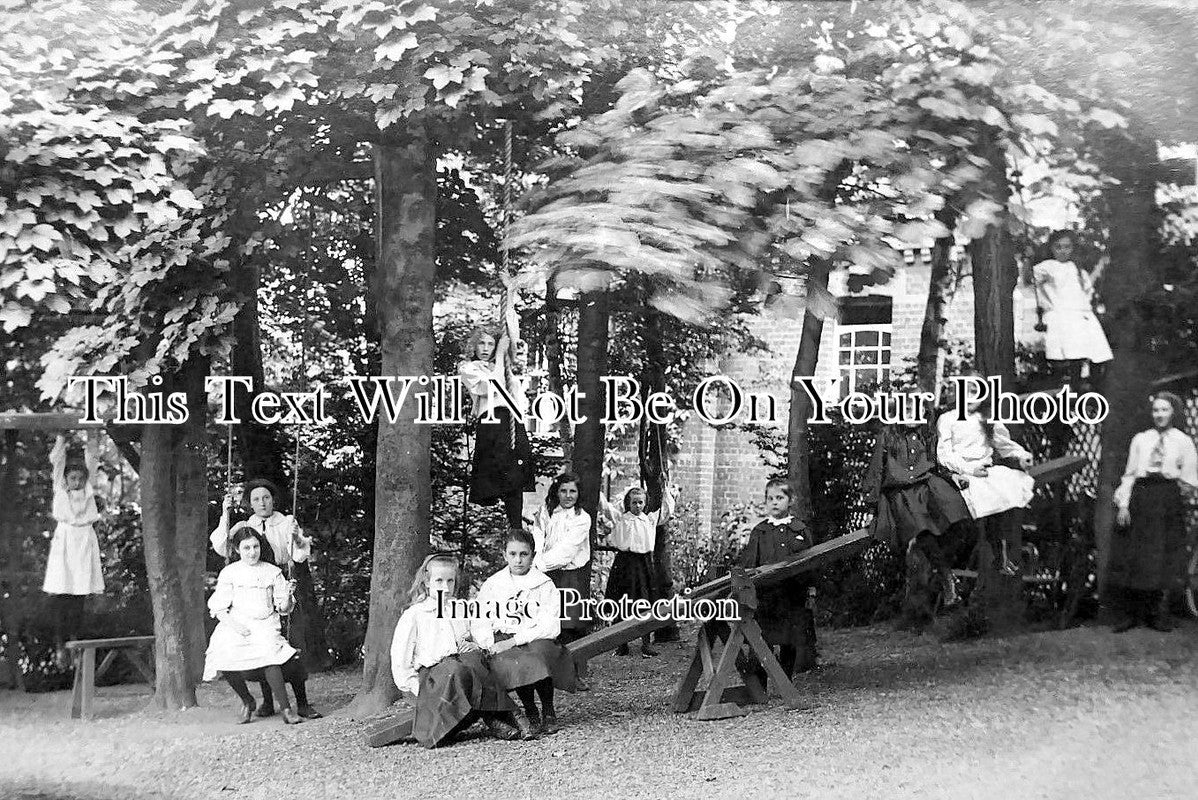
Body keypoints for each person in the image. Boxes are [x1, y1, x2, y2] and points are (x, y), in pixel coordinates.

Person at [390, 553, 528, 747]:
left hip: (463, 673)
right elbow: (400, 662)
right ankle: (503, 714)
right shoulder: (414, 615)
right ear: (427, 582)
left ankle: (496, 717)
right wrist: (418, 691)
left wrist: (475, 645)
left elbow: (477, 634)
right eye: (439, 581)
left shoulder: (460, 609)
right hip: (433, 679)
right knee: (457, 667)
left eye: (450, 581)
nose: (445, 588)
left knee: (472, 658)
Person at [210, 479, 321, 718]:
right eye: (256, 499)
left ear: (273, 499)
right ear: (250, 504)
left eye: (266, 497)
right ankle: (268, 701)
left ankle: (302, 702)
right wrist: (224, 514)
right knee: (258, 644)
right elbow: (221, 546)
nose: (262, 503)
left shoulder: (286, 522)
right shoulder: (245, 526)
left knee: (292, 644)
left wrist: (298, 539)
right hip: (251, 590)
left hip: (281, 583)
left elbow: (299, 554)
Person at [864, 413, 971, 626]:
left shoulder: (927, 435)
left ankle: (947, 575)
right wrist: (871, 505)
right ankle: (947, 578)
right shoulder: (888, 436)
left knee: (956, 511)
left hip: (925, 486)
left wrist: (954, 477)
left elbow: (937, 463)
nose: (912, 415)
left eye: (917, 409)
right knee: (920, 527)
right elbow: (876, 470)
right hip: (900, 492)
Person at [473, 530, 577, 735]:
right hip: (504, 638)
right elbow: (480, 618)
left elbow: (551, 626)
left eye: (524, 554)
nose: (518, 560)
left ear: (533, 555)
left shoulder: (543, 584)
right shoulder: (494, 584)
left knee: (538, 654)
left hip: (535, 637)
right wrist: (487, 642)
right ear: (504, 555)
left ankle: (548, 710)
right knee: (515, 660)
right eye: (512, 554)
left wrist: (515, 640)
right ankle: (530, 710)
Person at [1110, 392, 1198, 633]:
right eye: (1156, 410)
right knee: (1135, 554)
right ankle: (1131, 614)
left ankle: (1156, 614)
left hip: (1167, 498)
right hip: (1142, 497)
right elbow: (1130, 473)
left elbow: (1190, 477)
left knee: (1161, 555)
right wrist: (1125, 504)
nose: (1159, 415)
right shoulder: (1141, 439)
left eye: (1165, 410)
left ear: (1174, 413)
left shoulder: (1183, 441)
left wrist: (1182, 496)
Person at [202, 529, 301, 724]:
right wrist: (236, 627)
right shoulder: (230, 572)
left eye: (255, 546)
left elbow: (283, 608)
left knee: (269, 654)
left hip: (265, 622)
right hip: (237, 621)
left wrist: (288, 596)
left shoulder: (272, 572)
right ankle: (247, 701)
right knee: (222, 653)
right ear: (237, 550)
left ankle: (286, 709)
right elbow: (219, 607)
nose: (252, 552)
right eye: (246, 548)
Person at [936, 385, 1035, 577]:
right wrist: (969, 469)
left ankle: (1001, 559)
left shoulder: (987, 419)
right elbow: (944, 454)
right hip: (960, 473)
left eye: (977, 392)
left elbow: (1005, 445)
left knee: (1002, 499)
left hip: (986, 472)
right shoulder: (948, 419)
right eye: (968, 390)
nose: (972, 397)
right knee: (967, 515)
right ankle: (958, 565)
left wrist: (1021, 456)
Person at [736, 479, 818, 686]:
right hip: (766, 598)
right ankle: (760, 686)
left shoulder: (799, 530)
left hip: (792, 596)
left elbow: (811, 564)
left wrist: (811, 591)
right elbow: (749, 565)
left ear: (791, 500)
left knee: (790, 640)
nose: (774, 503)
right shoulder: (760, 532)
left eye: (780, 498)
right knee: (761, 639)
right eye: (770, 499)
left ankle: (785, 682)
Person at [459, 326, 535, 530]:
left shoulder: (503, 366)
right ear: (473, 346)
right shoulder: (468, 368)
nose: (486, 348)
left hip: (513, 421)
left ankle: (516, 527)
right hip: (492, 422)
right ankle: (507, 527)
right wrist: (500, 356)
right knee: (499, 477)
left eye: (491, 344)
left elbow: (512, 332)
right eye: (481, 343)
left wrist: (510, 295)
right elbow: (492, 386)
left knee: (515, 478)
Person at [43, 432, 104, 663]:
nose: (76, 482)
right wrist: (61, 437)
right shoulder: (60, 489)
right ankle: (60, 646)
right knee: (62, 593)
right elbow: (58, 462)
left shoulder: (88, 489)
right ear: (66, 480)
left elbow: (92, 460)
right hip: (65, 540)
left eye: (80, 478)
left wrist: (92, 437)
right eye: (72, 478)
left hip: (84, 540)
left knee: (79, 594)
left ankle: (75, 642)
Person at [598, 484, 678, 657]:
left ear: (645, 503)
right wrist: (596, 491)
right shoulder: (620, 518)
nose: (638, 506)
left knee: (645, 602)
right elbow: (605, 508)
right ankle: (622, 644)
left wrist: (666, 491)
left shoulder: (649, 520)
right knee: (622, 603)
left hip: (643, 565)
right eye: (634, 502)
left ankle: (645, 644)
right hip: (624, 564)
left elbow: (666, 511)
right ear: (628, 503)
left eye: (641, 502)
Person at [530, 472, 592, 688]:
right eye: (563, 491)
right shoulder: (547, 512)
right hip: (547, 574)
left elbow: (566, 551)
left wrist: (540, 564)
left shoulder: (581, 518)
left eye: (572, 491)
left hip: (570, 576)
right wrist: (536, 557)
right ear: (556, 491)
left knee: (571, 625)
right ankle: (549, 672)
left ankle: (575, 675)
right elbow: (538, 534)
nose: (568, 495)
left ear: (578, 493)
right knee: (548, 622)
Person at [1031, 230, 1112, 388]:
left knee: (1098, 353)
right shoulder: (1048, 266)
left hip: (1082, 314)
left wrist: (1100, 266)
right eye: (1058, 247)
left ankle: (1092, 389)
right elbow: (1031, 278)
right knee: (1073, 354)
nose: (1063, 251)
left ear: (1073, 248)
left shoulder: (1078, 270)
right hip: (1062, 314)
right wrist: (1030, 258)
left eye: (1067, 247)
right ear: (1052, 249)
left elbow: (1087, 289)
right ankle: (1072, 387)